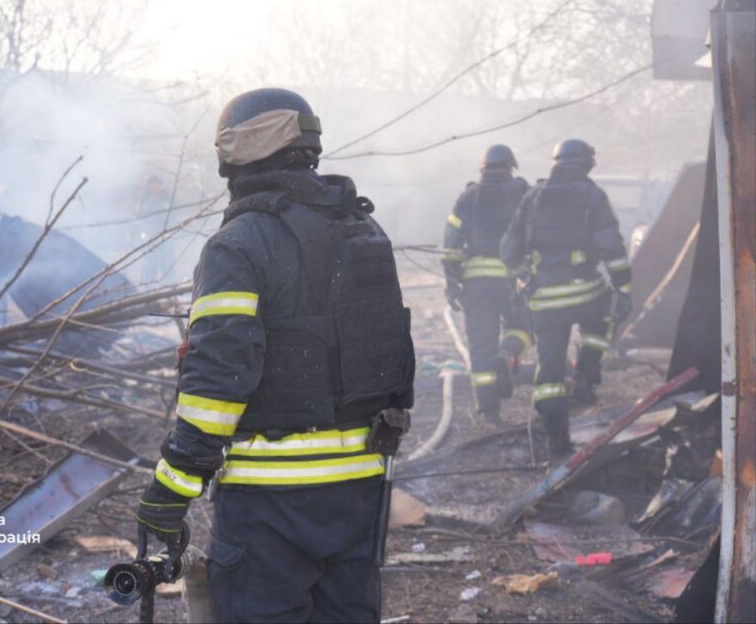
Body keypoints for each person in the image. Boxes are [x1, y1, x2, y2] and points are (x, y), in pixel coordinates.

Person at [134, 88, 416, 623]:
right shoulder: (364, 230)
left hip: (270, 502)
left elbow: (216, 384)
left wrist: (171, 488)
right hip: (361, 489)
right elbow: (392, 358)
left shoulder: (239, 244)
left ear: (233, 155)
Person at [500, 139, 632, 458]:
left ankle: (556, 438)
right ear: (587, 164)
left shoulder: (533, 196)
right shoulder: (592, 195)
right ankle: (586, 373)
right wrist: (624, 288)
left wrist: (521, 276)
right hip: (587, 292)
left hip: (545, 300)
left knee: (549, 371)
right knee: (602, 321)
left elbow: (508, 250)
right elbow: (611, 247)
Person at [441, 144, 533, 425]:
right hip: (511, 281)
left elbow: (451, 244)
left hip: (476, 285)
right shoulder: (521, 191)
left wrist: (452, 283)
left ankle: (489, 411)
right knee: (525, 327)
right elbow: (536, 230)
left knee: (481, 348)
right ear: (510, 166)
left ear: (483, 169)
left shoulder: (467, 197)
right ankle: (507, 355)